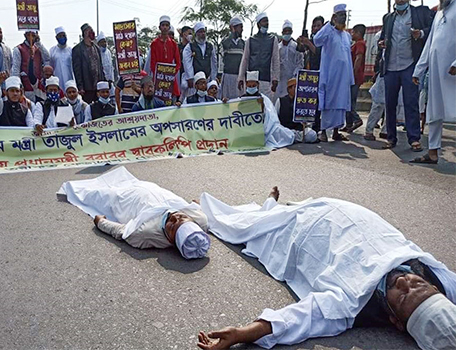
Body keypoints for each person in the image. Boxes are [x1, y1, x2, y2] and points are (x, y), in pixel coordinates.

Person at [196, 190, 456, 350]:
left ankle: (218, 211)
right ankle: (270, 206)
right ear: (434, 288)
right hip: (336, 207)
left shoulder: (351, 305)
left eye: (403, 296)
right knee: (273, 215)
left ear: (396, 322)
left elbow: (303, 317)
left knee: (247, 227)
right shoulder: (441, 278)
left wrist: (245, 333)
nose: (404, 282)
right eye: (418, 284)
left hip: (304, 230)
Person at [58, 167, 211, 259]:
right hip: (155, 191)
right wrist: (193, 205)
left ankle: (76, 190)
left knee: (97, 194)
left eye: (172, 226)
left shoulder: (146, 235)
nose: (175, 217)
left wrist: (100, 223)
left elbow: (121, 232)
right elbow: (196, 209)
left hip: (129, 200)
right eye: (182, 217)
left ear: (171, 240)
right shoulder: (200, 221)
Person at [379, 0, 434, 151]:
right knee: (390, 104)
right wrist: (381, 43)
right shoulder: (388, 18)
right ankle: (391, 137)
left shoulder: (420, 12)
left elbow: (434, 29)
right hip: (390, 66)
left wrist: (421, 33)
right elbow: (382, 37)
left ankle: (414, 139)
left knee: (411, 102)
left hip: (409, 65)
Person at [411, 0, 456, 164]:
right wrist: (419, 69)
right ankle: (432, 153)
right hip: (437, 71)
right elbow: (430, 44)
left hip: (453, 71)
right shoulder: (439, 13)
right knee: (434, 111)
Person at [243, 72, 317, 148]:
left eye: (254, 86)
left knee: (311, 135)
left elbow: (272, 119)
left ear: (258, 85)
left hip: (287, 130)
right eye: (250, 86)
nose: (252, 88)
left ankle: (295, 136)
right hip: (254, 128)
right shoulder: (281, 101)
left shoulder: (264, 99)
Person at [313, 4, 353, 142]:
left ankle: (336, 132)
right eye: (340, 15)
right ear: (334, 17)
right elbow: (316, 40)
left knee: (341, 104)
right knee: (328, 103)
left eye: (345, 15)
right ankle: (323, 132)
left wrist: (350, 78)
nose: (343, 18)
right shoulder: (328, 32)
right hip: (330, 76)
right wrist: (329, 24)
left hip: (343, 77)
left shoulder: (347, 36)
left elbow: (348, 58)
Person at [238, 13, 280, 103]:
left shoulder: (273, 39)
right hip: (252, 81)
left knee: (266, 104)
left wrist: (275, 79)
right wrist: (241, 78)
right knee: (251, 105)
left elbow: (276, 60)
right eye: (264, 21)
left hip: (266, 79)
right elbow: (245, 59)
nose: (267, 23)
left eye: (267, 21)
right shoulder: (250, 40)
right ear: (258, 24)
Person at [297, 16, 325, 132]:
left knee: (318, 101)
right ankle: (307, 123)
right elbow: (300, 50)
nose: (316, 28)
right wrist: (301, 42)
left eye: (318, 26)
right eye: (314, 26)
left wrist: (308, 43)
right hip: (309, 74)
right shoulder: (312, 40)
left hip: (320, 74)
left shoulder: (324, 40)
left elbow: (318, 54)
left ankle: (317, 126)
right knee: (308, 100)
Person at [150, 16, 183, 102]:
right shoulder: (154, 43)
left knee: (172, 101)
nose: (165, 27)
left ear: (169, 27)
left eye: (167, 25)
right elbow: (152, 64)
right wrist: (159, 75)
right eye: (163, 25)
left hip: (170, 78)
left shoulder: (173, 44)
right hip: (158, 78)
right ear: (159, 27)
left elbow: (178, 63)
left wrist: (170, 73)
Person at [12, 31, 50, 102]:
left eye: (34, 35)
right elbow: (15, 70)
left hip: (39, 89)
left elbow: (47, 58)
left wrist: (39, 43)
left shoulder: (38, 48)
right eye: (30, 35)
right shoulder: (18, 49)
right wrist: (17, 87)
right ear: (25, 35)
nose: (32, 37)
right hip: (26, 88)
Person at [72, 23, 105, 104]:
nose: (92, 33)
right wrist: (80, 87)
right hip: (87, 87)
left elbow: (100, 66)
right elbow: (77, 70)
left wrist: (104, 81)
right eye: (90, 31)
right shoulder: (77, 49)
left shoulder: (96, 48)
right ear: (85, 33)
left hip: (98, 86)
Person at [183, 22, 217, 97]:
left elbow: (213, 63)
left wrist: (213, 78)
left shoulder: (210, 46)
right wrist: (190, 77)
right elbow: (187, 62)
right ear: (196, 33)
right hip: (195, 81)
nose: (202, 34)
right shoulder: (190, 46)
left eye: (204, 31)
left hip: (207, 80)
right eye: (200, 32)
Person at [344, 24, 366, 133]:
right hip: (353, 77)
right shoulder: (356, 44)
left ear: (358, 33)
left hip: (354, 78)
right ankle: (348, 124)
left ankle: (357, 120)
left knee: (349, 101)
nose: (351, 34)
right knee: (348, 100)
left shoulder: (360, 44)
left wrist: (352, 73)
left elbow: (358, 58)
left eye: (353, 32)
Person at [277, 20, 304, 100]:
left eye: (289, 31)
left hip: (292, 79)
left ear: (292, 32)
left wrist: (295, 75)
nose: (287, 33)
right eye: (285, 31)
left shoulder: (295, 47)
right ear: (282, 32)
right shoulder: (278, 47)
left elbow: (300, 63)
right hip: (280, 80)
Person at [220, 16, 245, 100]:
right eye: (240, 27)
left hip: (239, 77)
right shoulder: (225, 42)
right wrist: (232, 34)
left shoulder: (243, 43)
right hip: (228, 77)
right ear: (233, 28)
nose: (242, 29)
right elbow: (225, 46)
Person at [49, 26, 75, 91]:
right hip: (57, 80)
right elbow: (50, 67)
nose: (62, 37)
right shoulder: (52, 50)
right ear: (56, 38)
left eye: (64, 35)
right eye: (60, 36)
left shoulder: (71, 50)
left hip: (70, 80)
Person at [97, 32, 115, 98]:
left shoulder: (108, 52)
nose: (104, 44)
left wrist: (111, 80)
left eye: (104, 42)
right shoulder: (97, 53)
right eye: (102, 42)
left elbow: (111, 67)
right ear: (98, 43)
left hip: (110, 81)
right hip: (101, 81)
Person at [178, 25, 193, 99]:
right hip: (179, 75)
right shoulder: (178, 47)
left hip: (190, 76)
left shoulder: (193, 47)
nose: (191, 36)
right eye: (189, 33)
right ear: (184, 34)